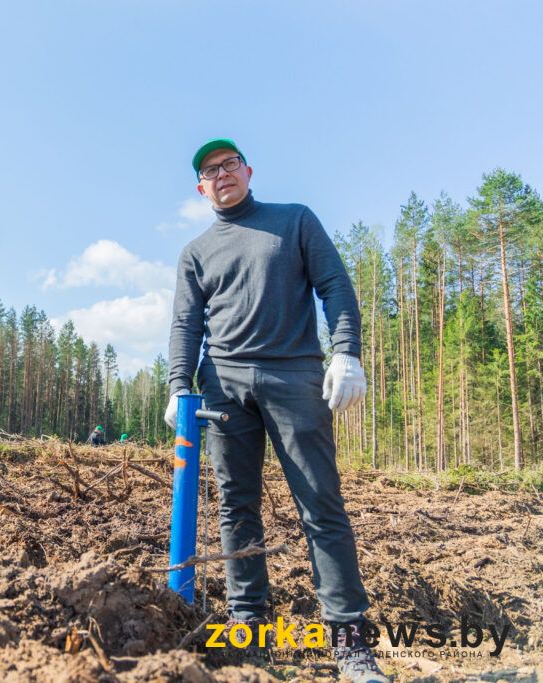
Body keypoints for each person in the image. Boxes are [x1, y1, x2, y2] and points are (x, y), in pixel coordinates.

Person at [164, 138, 385, 682]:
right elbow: (186, 325)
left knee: (320, 504)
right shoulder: (195, 251)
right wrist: (177, 384)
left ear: (248, 170)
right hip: (223, 387)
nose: (221, 175)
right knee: (236, 509)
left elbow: (335, 285)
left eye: (229, 164)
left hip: (295, 374)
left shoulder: (294, 221)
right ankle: (249, 631)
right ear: (200, 188)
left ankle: (351, 641)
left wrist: (347, 353)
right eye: (210, 171)